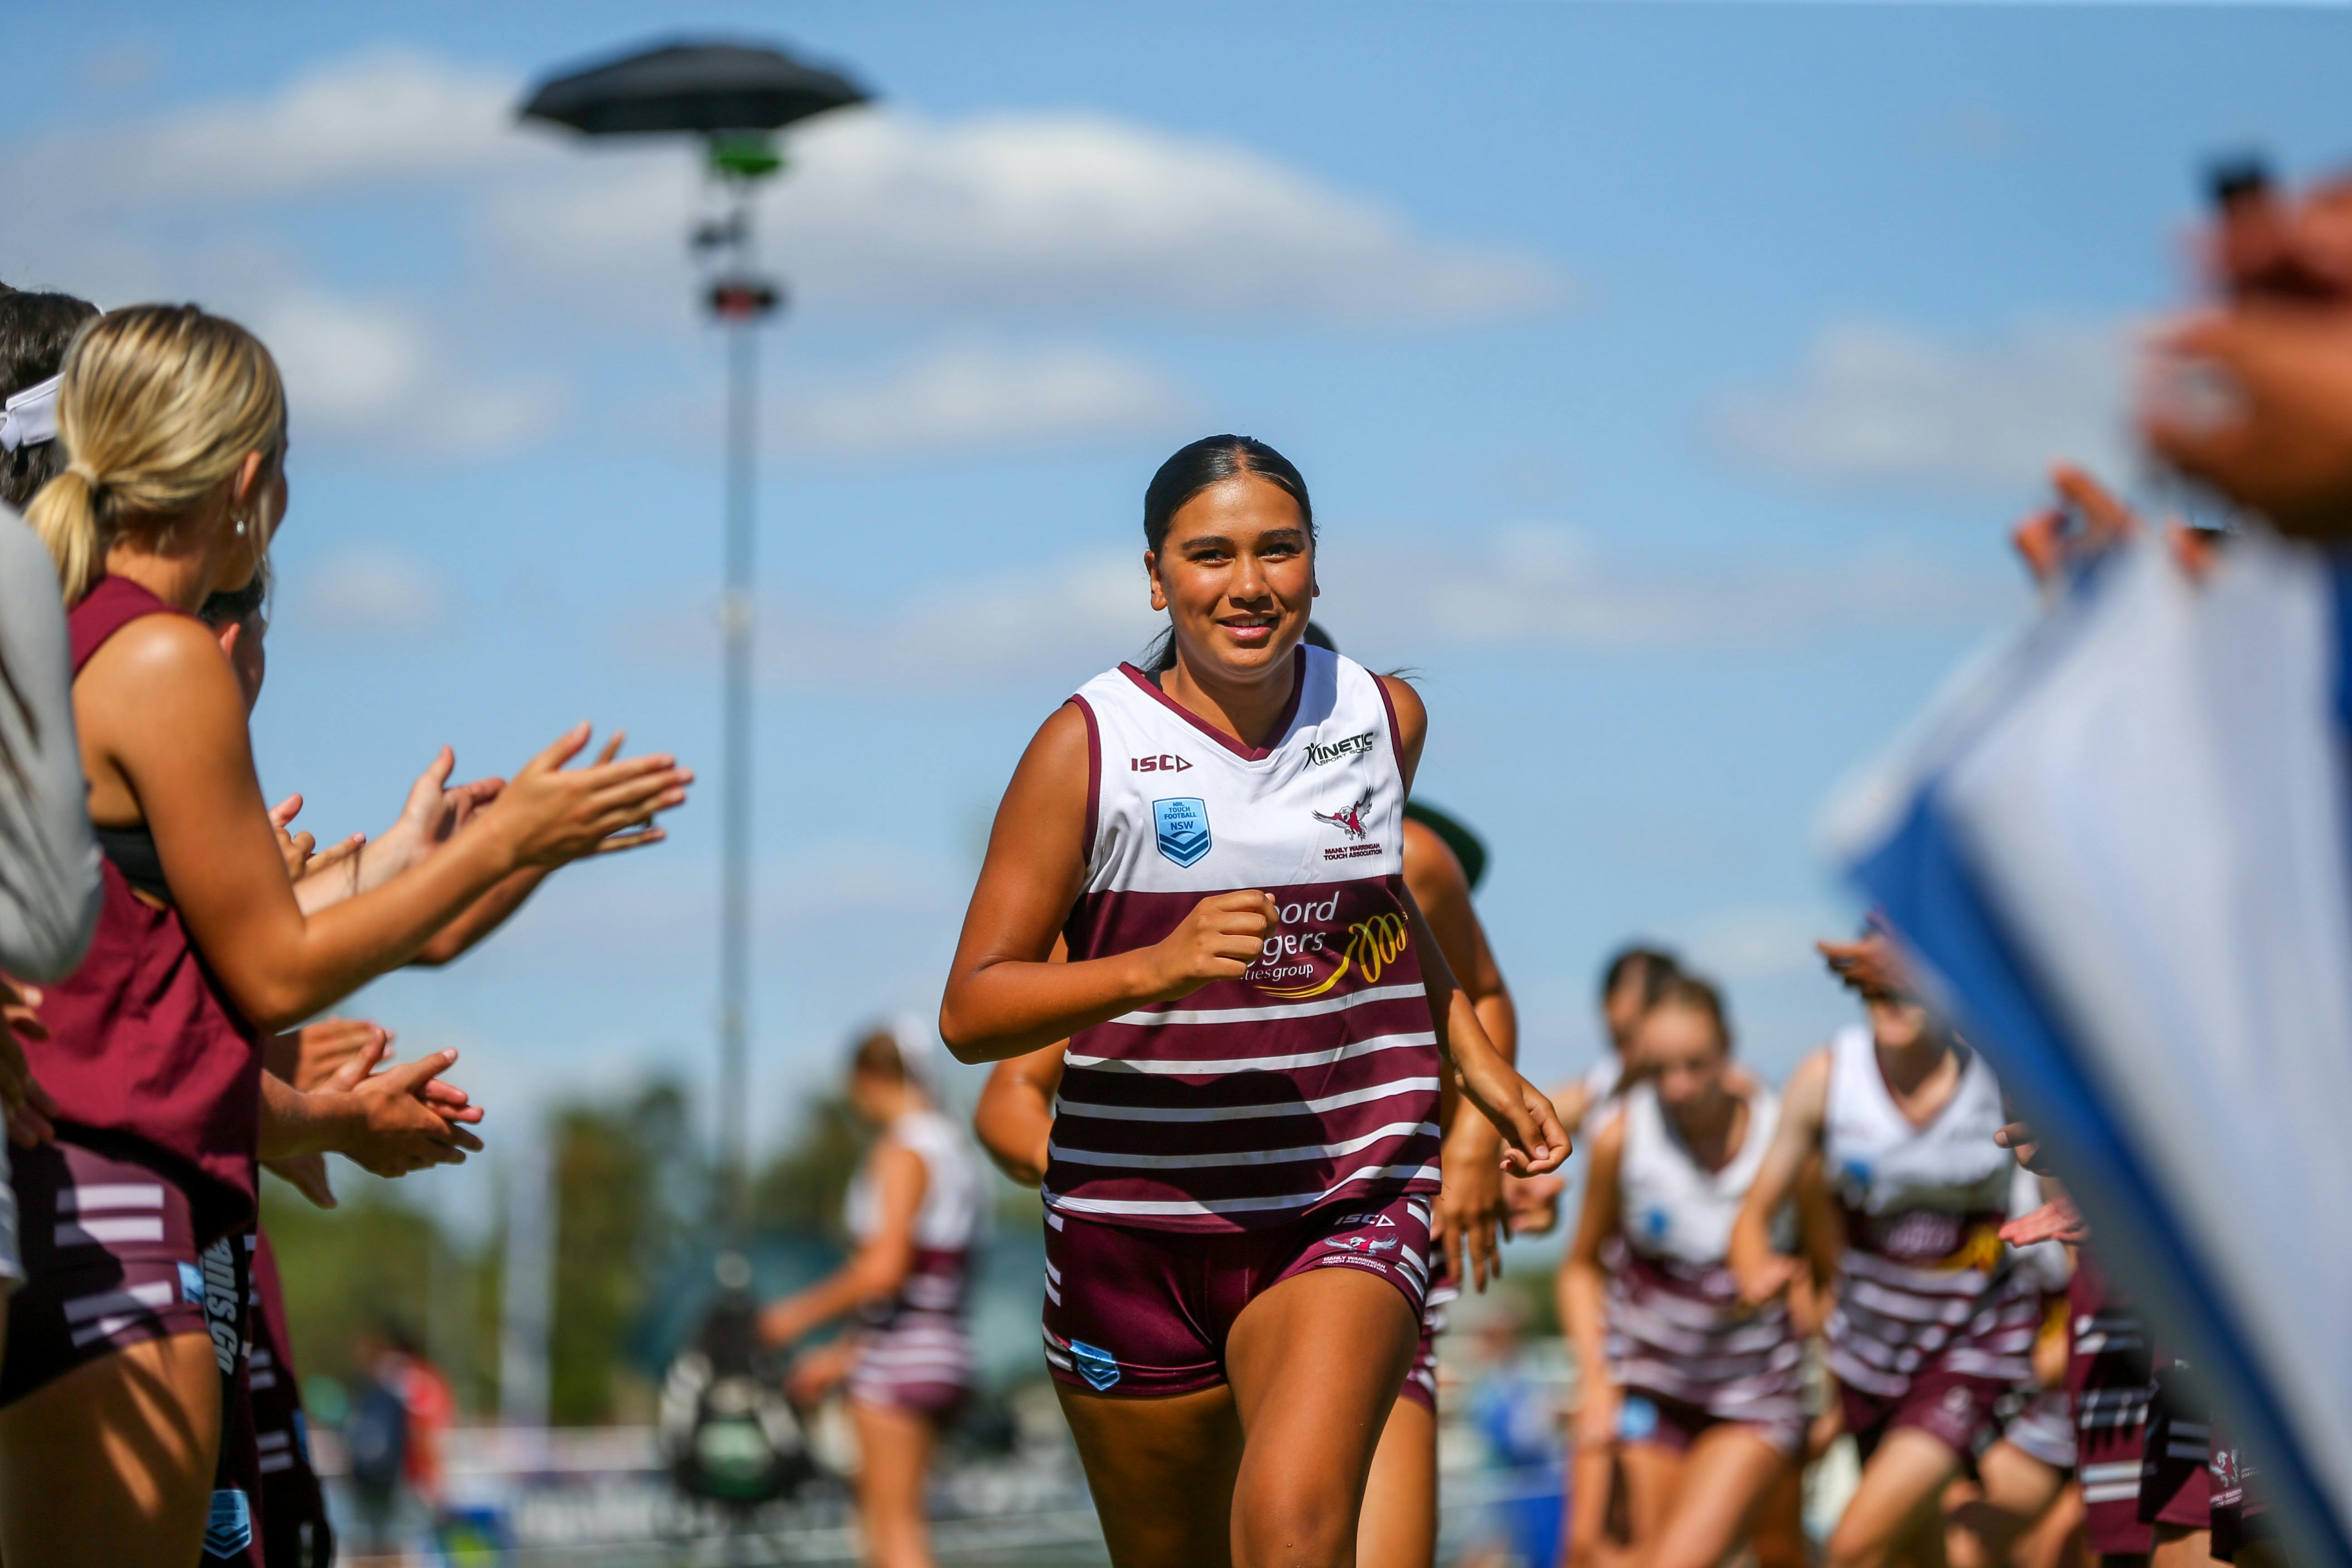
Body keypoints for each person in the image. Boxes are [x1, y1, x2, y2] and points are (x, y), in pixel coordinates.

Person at [0, 303, 694, 1568]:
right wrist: (502, 847)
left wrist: (444, 863)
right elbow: (276, 964)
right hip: (109, 1225)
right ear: (249, 483)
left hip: (52, 1210)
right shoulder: (160, 656)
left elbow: (218, 942)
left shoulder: (68, 637)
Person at [938, 433, 1565, 1568]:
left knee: (1292, 1527)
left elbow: (1382, 906)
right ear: (1155, 574)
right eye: (1209, 554)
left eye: (1277, 550)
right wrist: (1155, 965)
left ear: (1316, 567)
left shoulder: (1382, 719)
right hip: (1134, 1230)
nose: (1247, 583)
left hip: (1338, 1197)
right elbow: (971, 1010)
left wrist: (1470, 1054)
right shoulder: (1085, 747)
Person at [1729, 928, 2041, 1568]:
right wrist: (1755, 1264)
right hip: (1867, 1357)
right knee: (1915, 1554)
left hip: (1969, 1352)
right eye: (1879, 979)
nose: (1892, 995)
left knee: (1854, 1545)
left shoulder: (1992, 1072)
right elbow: (1755, 1215)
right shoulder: (1826, 1077)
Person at [1559, 972, 1809, 1568]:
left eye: (1696, 1065)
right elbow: (1581, 1268)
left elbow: (1826, 1266)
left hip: (1752, 1399)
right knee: (1606, 1557)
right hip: (1652, 1390)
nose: (1678, 1087)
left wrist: (1801, 1311)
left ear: (1729, 1047)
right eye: (1661, 1069)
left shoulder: (1784, 1138)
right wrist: (1596, 1377)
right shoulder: (1624, 1138)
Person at [760, 1024, 985, 1568]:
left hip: (900, 1357)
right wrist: (843, 1354)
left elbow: (883, 1272)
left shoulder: (902, 1152)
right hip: (943, 1345)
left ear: (869, 1079)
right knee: (892, 1523)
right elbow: (923, 1280)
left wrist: (791, 1317)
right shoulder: (956, 1151)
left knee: (892, 1530)